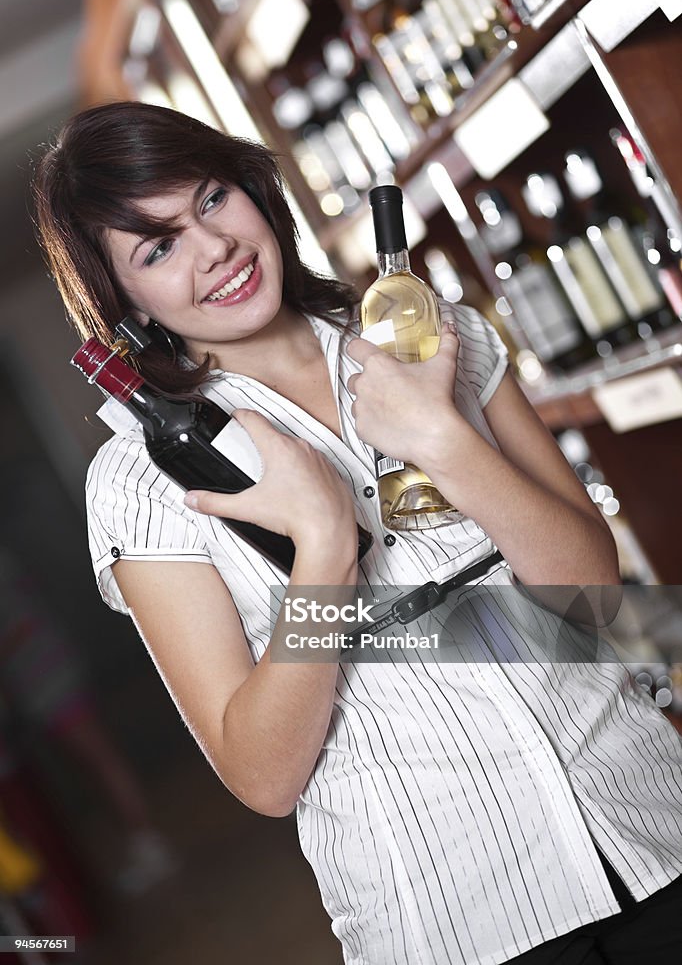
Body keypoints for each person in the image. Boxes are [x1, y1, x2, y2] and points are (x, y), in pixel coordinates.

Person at [33, 102, 682, 965]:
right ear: (124, 301)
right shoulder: (144, 480)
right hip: (459, 919)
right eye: (159, 248)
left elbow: (593, 600)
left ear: (255, 189)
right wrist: (324, 558)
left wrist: (443, 441)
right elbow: (263, 774)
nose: (214, 249)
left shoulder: (430, 336)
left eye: (214, 200)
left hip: (649, 824)